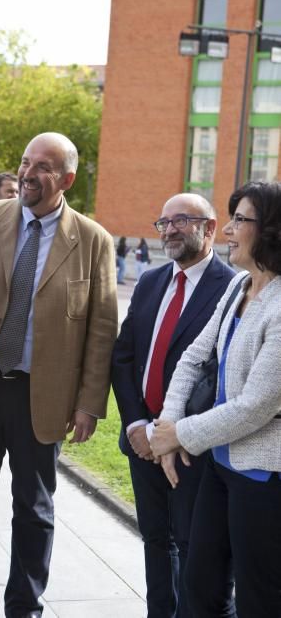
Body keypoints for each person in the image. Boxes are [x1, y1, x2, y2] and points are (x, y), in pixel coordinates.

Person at [0, 132, 118, 618]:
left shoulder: (94, 241)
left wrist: (89, 402)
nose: (30, 173)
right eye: (25, 161)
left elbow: (101, 330)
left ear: (67, 179)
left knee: (34, 513)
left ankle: (25, 608)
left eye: (45, 167)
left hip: (43, 396)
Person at [151, 181, 281, 618]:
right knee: (200, 587)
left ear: (271, 230)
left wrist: (178, 436)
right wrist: (168, 426)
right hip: (220, 468)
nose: (226, 229)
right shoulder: (240, 286)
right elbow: (192, 358)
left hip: (264, 478)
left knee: (260, 597)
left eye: (239, 220)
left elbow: (256, 406)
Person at [111, 193, 234, 618]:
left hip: (191, 447)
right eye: (163, 223)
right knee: (154, 541)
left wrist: (172, 433)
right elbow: (124, 356)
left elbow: (219, 372)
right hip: (143, 441)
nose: (170, 230)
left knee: (192, 544)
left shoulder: (233, 288)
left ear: (211, 227)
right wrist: (137, 426)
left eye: (181, 220)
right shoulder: (150, 281)